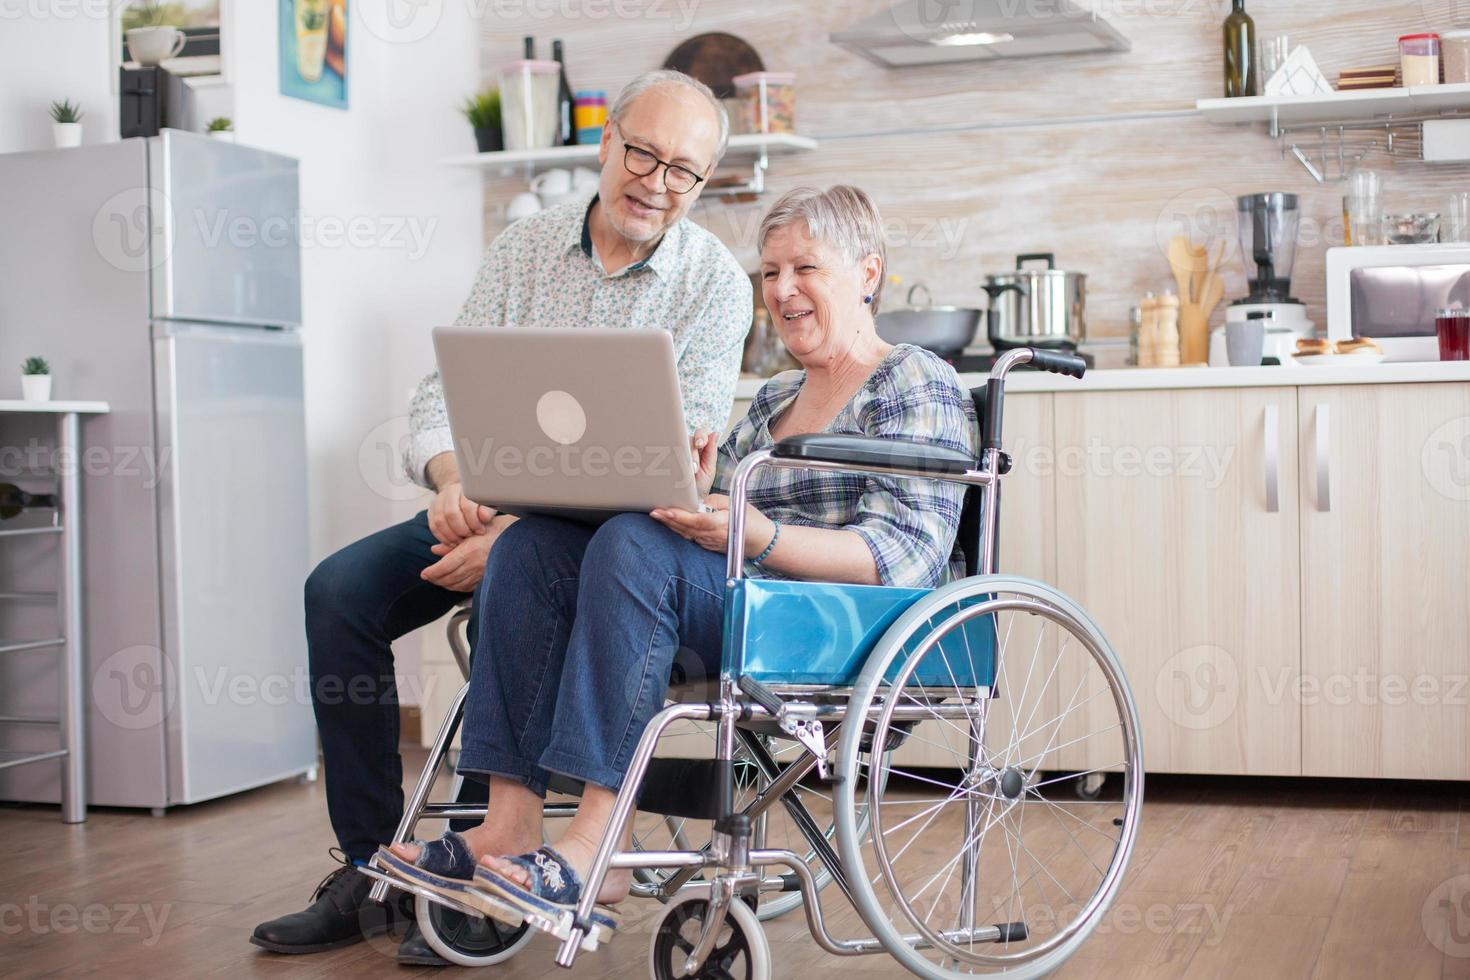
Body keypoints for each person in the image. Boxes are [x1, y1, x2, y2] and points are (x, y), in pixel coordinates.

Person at [379, 185, 978, 940]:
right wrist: (687, 485)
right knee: (532, 549)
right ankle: (507, 824)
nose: (783, 291)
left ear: (867, 272)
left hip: (840, 622)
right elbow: (713, 511)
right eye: (769, 273)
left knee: (634, 550)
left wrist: (755, 533)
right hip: (744, 602)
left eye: (805, 269)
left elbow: (906, 558)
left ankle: (598, 848)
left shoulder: (913, 379)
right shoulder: (773, 400)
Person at [250, 70, 752, 962]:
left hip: (600, 536)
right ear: (605, 144)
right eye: (642, 152)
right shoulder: (525, 251)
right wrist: (451, 479)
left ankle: (490, 863)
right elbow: (445, 390)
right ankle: (372, 871)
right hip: (485, 506)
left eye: (685, 171)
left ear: (703, 181)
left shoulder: (714, 283)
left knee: (518, 582)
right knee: (338, 594)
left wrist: (518, 530)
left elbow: (682, 464)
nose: (656, 183)